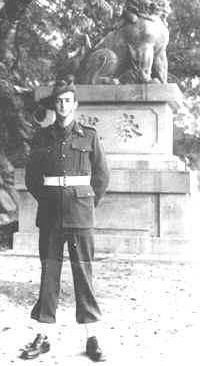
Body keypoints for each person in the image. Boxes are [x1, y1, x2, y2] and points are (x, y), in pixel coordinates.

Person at [20, 80, 109, 361]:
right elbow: (32, 178)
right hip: (50, 216)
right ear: (54, 105)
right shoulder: (42, 137)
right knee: (49, 276)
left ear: (75, 105)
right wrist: (48, 200)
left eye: (68, 100)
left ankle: (92, 337)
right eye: (59, 101)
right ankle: (42, 336)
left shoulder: (90, 137)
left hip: (81, 216)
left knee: (84, 276)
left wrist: (85, 203)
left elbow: (102, 177)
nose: (63, 105)